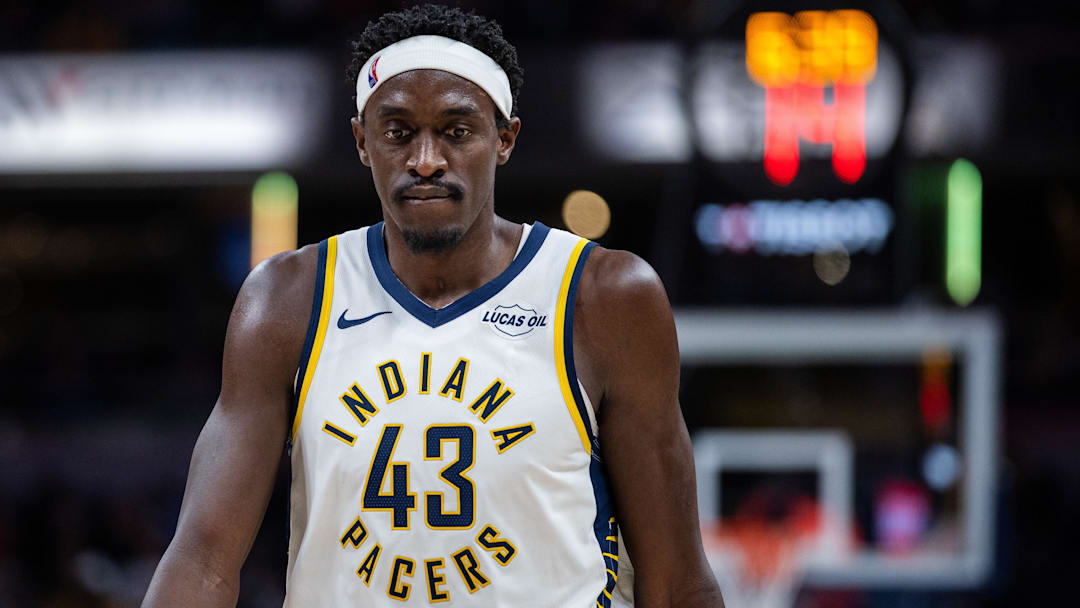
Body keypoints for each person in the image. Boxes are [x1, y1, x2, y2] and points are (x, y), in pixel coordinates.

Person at [142, 4, 722, 607]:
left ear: (504, 139)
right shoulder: (287, 299)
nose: (425, 160)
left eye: (456, 130)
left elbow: (678, 581)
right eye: (397, 132)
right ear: (362, 143)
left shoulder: (605, 296)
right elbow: (203, 558)